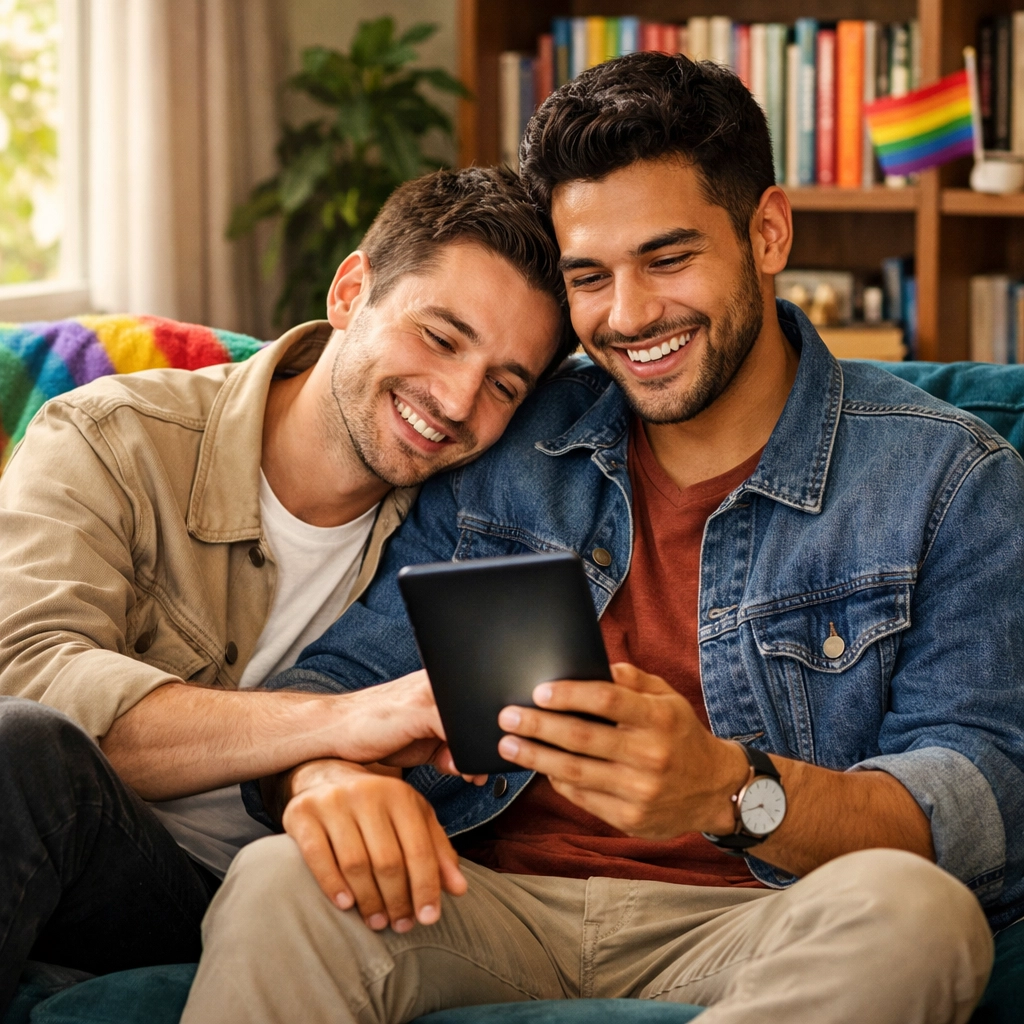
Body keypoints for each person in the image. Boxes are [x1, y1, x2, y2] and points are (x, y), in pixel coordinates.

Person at [182, 52, 1024, 1024]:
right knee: (280, 879)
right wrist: (327, 773)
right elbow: (335, 685)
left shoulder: (946, 478)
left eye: (667, 259)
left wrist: (727, 790)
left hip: (758, 912)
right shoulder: (515, 440)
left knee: (918, 914)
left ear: (767, 231)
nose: (626, 318)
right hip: (484, 902)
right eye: (589, 277)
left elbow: (980, 802)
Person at [0, 167, 570, 1014]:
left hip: (320, 909)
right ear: (350, 291)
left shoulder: (480, 517)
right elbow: (28, 677)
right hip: (116, 866)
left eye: (504, 385)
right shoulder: (110, 438)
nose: (455, 402)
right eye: (441, 338)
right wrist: (341, 721)